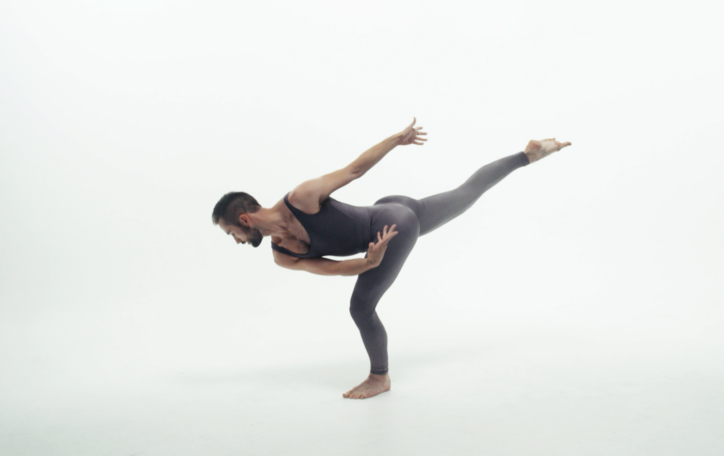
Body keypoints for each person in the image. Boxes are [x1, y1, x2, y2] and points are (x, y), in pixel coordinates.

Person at [212, 118, 571, 399]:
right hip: (391, 213)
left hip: (390, 223)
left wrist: (395, 141)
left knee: (361, 308)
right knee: (465, 194)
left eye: (233, 234)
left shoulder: (301, 197)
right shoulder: (283, 256)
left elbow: (354, 170)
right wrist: (369, 263)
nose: (237, 241)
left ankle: (379, 377)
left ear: (244, 220)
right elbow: (334, 269)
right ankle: (529, 155)